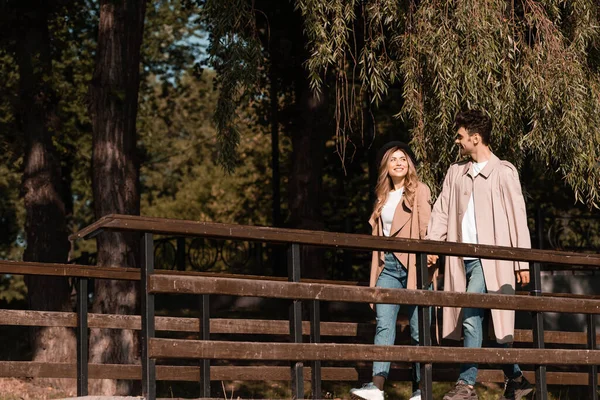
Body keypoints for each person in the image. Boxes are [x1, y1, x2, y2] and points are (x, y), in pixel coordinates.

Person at [427, 110, 534, 400]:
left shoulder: (503, 172)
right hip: (465, 262)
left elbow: (517, 218)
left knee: (472, 314)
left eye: (460, 136)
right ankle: (516, 378)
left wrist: (522, 262)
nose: (457, 141)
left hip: (496, 261)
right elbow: (441, 211)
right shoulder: (455, 173)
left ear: (476, 138)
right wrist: (432, 246)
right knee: (487, 323)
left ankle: (466, 385)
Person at [350, 142, 438, 400]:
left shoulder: (419, 190)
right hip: (387, 266)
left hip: (414, 264)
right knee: (383, 325)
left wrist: (431, 251)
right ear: (386, 166)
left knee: (419, 329)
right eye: (393, 159)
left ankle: (422, 390)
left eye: (403, 158)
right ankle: (377, 387)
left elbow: (427, 224)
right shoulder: (382, 195)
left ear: (409, 164)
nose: (399, 162)